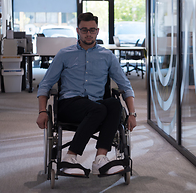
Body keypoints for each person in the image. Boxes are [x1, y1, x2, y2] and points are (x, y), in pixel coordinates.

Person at [36, 12, 137, 177]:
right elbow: (46, 84)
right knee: (99, 109)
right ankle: (70, 157)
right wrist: (42, 112)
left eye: (92, 30)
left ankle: (100, 159)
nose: (88, 33)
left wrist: (132, 114)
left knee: (113, 104)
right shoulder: (64, 54)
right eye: (84, 30)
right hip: (70, 104)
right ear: (77, 30)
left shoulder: (107, 56)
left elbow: (124, 85)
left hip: (96, 105)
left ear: (97, 31)